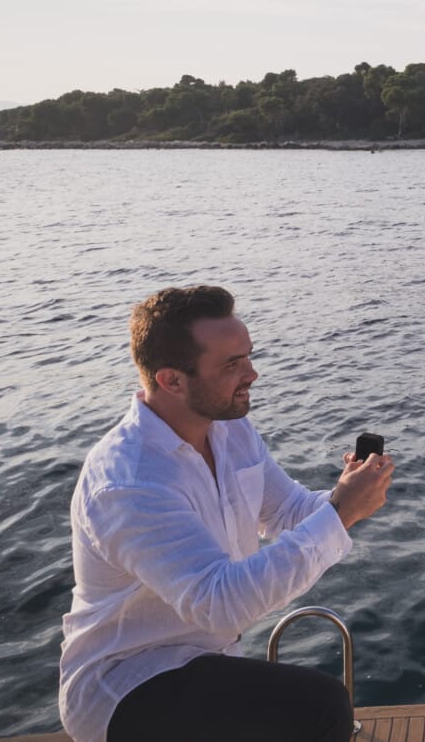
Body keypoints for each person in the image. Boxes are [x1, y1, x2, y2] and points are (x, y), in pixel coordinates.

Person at [58, 285, 394, 742]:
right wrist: (338, 513)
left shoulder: (230, 432)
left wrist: (346, 495)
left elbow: (288, 510)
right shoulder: (129, 481)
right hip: (126, 683)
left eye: (248, 357)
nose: (252, 374)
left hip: (203, 662)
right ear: (172, 380)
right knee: (321, 707)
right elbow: (220, 603)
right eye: (232, 364)